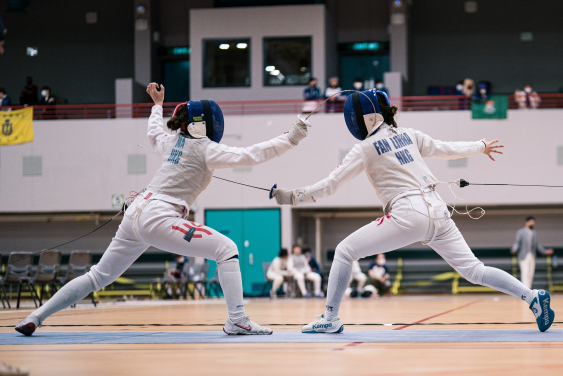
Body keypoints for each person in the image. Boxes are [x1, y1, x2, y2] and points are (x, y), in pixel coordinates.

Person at [15, 82, 310, 337]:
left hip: (135, 214)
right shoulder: (206, 148)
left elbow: (154, 132)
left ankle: (34, 317)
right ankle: (237, 320)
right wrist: (292, 138)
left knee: (98, 276)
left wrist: (157, 105)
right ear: (204, 123)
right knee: (228, 249)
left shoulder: (172, 141)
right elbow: (251, 154)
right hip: (158, 215)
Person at [271, 88, 555, 334]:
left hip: (410, 214)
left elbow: (329, 186)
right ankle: (532, 297)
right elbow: (446, 149)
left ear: (362, 118)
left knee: (345, 251)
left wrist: (289, 197)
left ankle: (330, 318)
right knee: (474, 270)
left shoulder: (365, 148)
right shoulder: (408, 134)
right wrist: (480, 146)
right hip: (439, 212)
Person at [511, 216, 553, 289]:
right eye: (531, 222)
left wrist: (544, 251)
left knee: (531, 273)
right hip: (523, 256)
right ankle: (525, 289)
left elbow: (537, 244)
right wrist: (514, 248)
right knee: (525, 272)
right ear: (527, 222)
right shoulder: (521, 232)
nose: (532, 224)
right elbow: (517, 242)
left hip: (532, 255)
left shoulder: (533, 233)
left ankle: (529, 288)